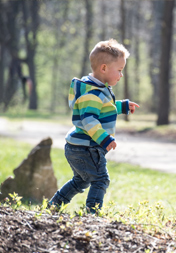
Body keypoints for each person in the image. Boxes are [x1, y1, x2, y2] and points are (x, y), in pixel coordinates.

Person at [49, 39, 139, 213]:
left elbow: (104, 109)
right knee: (101, 180)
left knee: (80, 180)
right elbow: (90, 121)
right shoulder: (92, 94)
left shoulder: (94, 89)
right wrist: (105, 139)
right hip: (88, 148)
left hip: (78, 146)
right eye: (119, 71)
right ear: (104, 68)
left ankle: (54, 205)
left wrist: (123, 106)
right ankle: (92, 214)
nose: (121, 75)